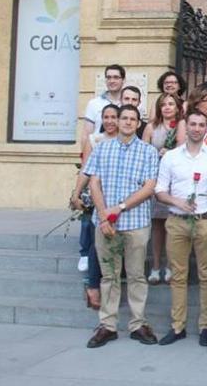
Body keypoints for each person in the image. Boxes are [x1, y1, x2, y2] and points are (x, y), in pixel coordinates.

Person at [83, 105, 160, 348]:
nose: (127, 122)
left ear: (139, 124)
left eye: (132, 119)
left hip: (135, 224)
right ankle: (107, 325)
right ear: (117, 122)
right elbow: (94, 183)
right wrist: (105, 216)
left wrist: (121, 207)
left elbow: (149, 188)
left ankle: (138, 324)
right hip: (105, 224)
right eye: (123, 118)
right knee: (109, 275)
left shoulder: (148, 152)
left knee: (137, 275)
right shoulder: (102, 148)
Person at [154, 111, 207, 346]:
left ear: (206, 128)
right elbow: (160, 191)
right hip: (176, 221)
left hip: (205, 221)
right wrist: (177, 201)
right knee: (178, 276)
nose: (196, 128)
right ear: (186, 127)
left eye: (200, 125)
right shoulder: (171, 157)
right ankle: (177, 326)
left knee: (206, 275)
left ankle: (205, 326)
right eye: (192, 124)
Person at [71, 104, 120, 308]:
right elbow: (86, 169)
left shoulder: (126, 139)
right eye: (106, 117)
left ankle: (114, 289)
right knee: (95, 245)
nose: (109, 121)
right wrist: (76, 193)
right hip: (98, 199)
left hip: (119, 202)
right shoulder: (95, 140)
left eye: (113, 117)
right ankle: (93, 286)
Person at [142, 93, 187, 285]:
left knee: (172, 225)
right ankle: (155, 266)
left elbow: (183, 149)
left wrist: (170, 152)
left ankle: (170, 266)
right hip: (156, 178)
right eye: (163, 105)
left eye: (171, 104)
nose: (167, 107)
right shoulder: (151, 127)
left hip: (174, 181)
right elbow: (142, 153)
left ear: (177, 108)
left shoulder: (182, 125)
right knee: (158, 225)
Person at [81, 64, 124, 150]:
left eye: (116, 77)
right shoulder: (94, 104)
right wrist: (84, 157)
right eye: (108, 77)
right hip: (98, 152)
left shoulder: (128, 104)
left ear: (123, 80)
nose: (112, 81)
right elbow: (86, 134)